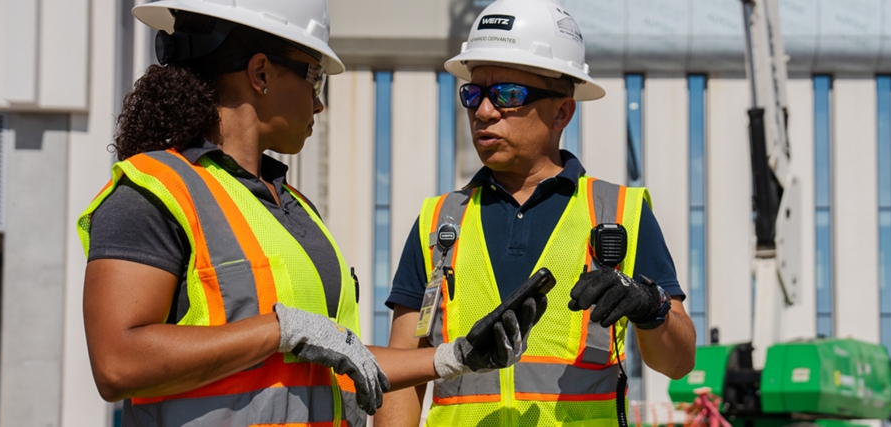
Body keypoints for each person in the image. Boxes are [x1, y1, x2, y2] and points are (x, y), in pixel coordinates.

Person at [76, 1, 546, 426]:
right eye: (312, 76)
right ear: (260, 73)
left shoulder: (294, 209)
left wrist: (453, 358)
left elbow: (338, 357)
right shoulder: (153, 194)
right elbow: (117, 363)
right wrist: (280, 329)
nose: (319, 101)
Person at [378, 0, 697, 425]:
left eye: (508, 94)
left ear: (562, 110)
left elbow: (678, 363)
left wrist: (651, 307)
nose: (484, 112)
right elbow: (404, 371)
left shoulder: (620, 215)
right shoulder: (439, 222)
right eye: (473, 93)